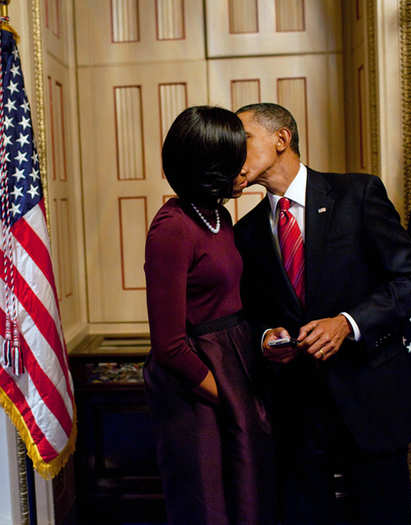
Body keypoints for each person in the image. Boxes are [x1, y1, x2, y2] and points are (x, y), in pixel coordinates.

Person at [233, 102, 411, 525]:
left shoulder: (357, 194)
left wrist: (348, 323)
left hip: (370, 399)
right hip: (298, 414)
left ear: (281, 139)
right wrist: (265, 338)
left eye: (243, 138)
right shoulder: (245, 232)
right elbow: (251, 316)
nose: (232, 149)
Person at [143, 106, 275, 525]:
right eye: (234, 159)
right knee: (209, 504)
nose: (243, 168)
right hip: (196, 385)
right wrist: (227, 394)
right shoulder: (172, 227)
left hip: (233, 367)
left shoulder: (218, 215)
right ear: (209, 166)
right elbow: (169, 346)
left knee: (247, 500)